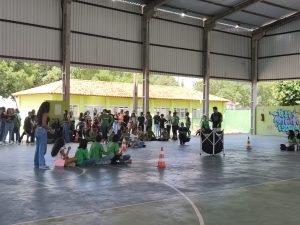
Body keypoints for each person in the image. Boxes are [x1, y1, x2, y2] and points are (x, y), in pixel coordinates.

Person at [34, 101, 52, 169]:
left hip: (37, 130)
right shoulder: (45, 113)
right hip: (42, 131)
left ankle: (37, 164)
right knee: (42, 149)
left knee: (38, 149)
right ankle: (42, 164)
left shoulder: (39, 113)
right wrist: (50, 129)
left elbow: (38, 123)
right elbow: (44, 124)